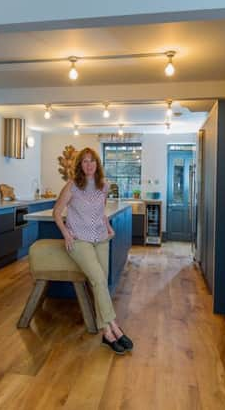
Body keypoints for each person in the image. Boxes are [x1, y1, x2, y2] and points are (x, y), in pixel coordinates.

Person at [53, 147, 134, 355]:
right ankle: (114, 325)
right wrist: (66, 234)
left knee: (101, 283)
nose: (89, 165)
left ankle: (106, 332)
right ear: (80, 165)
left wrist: (107, 224)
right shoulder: (72, 186)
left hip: (101, 238)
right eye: (85, 161)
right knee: (98, 279)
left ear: (97, 164)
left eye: (92, 161)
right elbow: (57, 212)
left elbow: (99, 212)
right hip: (79, 241)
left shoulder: (104, 186)